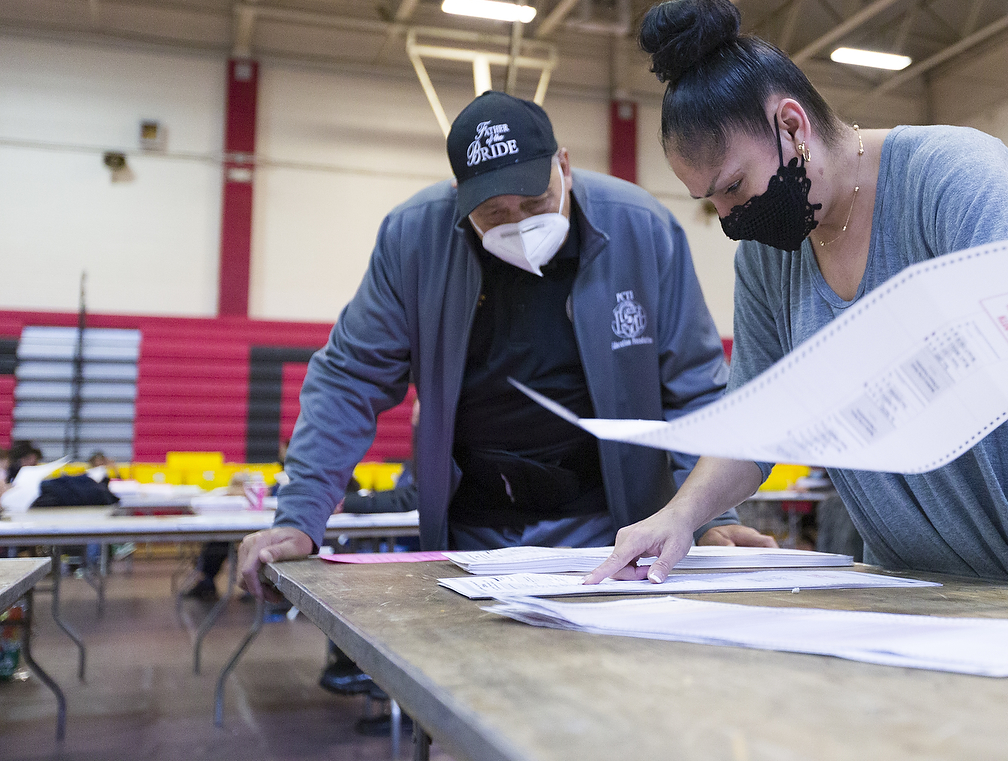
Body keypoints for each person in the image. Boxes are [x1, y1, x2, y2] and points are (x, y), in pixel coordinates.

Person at [587, 0, 1008, 607]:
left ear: (792, 126)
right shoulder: (766, 256)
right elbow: (754, 425)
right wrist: (678, 517)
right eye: (713, 202)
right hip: (958, 514)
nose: (730, 216)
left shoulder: (958, 174)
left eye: (733, 186)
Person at [238, 91, 772, 597]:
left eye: (536, 200)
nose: (518, 222)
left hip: (615, 527)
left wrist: (711, 519)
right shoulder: (414, 238)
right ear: (459, 198)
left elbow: (694, 388)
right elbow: (348, 379)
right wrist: (301, 516)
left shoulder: (639, 227)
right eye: (494, 212)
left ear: (563, 164)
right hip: (468, 532)